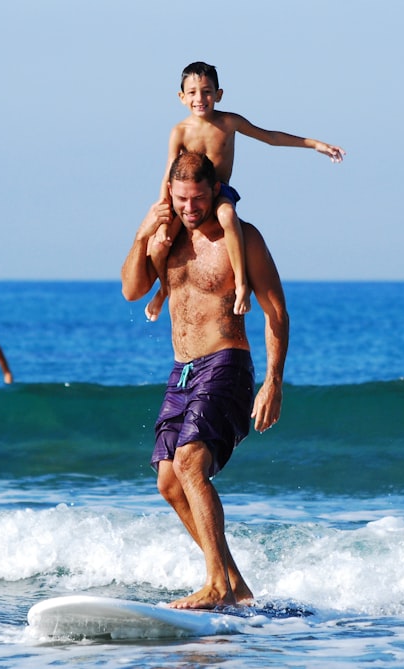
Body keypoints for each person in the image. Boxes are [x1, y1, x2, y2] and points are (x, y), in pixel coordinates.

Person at [122, 152, 290, 609]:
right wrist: (142, 235)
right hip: (182, 370)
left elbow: (276, 310)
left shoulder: (241, 239)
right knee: (169, 481)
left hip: (227, 361)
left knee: (191, 463)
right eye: (180, 200)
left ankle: (215, 585)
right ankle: (235, 587)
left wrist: (273, 380)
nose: (189, 209)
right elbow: (132, 289)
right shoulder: (168, 238)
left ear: (215, 191)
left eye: (197, 199)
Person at [143, 61, 344, 322]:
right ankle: (164, 289)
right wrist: (163, 210)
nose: (199, 98)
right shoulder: (179, 131)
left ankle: (241, 285)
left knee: (227, 217)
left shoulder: (229, 121)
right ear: (182, 97)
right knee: (158, 245)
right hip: (189, 197)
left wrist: (314, 144)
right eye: (192, 92)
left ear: (219, 94)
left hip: (219, 192)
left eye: (206, 91)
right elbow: (169, 170)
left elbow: (270, 137)